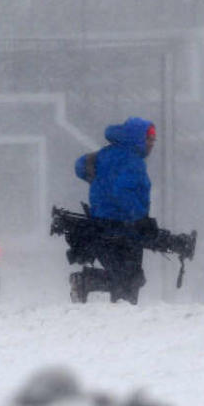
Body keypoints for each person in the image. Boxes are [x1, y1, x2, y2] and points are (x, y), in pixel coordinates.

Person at [70, 116, 156, 304]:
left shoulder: (106, 154)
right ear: (136, 138)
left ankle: (88, 282)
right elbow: (122, 191)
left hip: (100, 225)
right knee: (130, 278)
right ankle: (90, 285)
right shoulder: (132, 161)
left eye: (153, 140)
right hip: (125, 227)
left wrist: (101, 184)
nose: (152, 144)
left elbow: (80, 166)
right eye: (148, 139)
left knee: (122, 275)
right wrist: (140, 218)